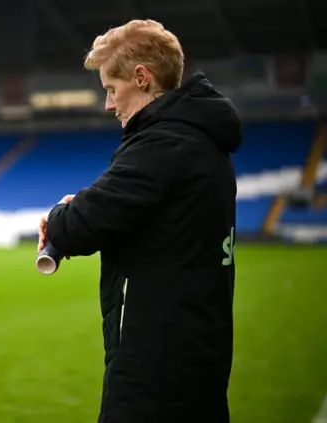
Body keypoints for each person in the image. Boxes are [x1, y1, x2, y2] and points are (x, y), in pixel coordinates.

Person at [37, 19, 242, 423]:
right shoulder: (203, 142)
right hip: (198, 355)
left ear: (142, 78)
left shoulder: (163, 144)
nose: (109, 105)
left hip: (155, 369)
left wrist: (60, 214)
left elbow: (76, 226)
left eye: (112, 90)